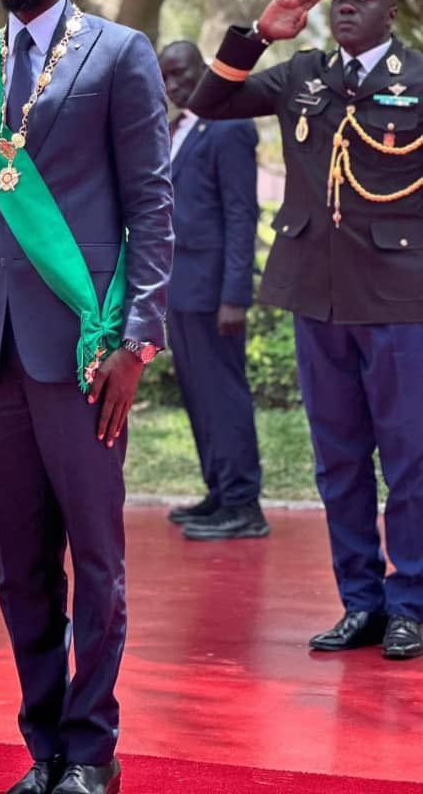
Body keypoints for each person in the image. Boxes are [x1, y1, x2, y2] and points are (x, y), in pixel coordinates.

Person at [0, 0, 173, 794]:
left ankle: (93, 750)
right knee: (20, 566)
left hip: (84, 346)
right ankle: (43, 748)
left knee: (97, 562)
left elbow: (152, 203)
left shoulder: (119, 55)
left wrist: (137, 339)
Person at [190, 0, 423, 660]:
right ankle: (360, 602)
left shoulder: (418, 78)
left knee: (411, 457)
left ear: (393, 6)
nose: (347, 5)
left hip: (399, 299)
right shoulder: (302, 76)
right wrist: (260, 35)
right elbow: (210, 101)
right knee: (339, 459)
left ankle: (410, 602)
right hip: (313, 297)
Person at [159, 41, 267, 540]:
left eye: (181, 73)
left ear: (205, 70)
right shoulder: (179, 128)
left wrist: (235, 296)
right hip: (180, 288)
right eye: (166, 76)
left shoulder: (228, 125)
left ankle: (244, 504)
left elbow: (243, 214)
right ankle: (220, 492)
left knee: (224, 396)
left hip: (213, 292)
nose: (174, 84)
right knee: (200, 397)